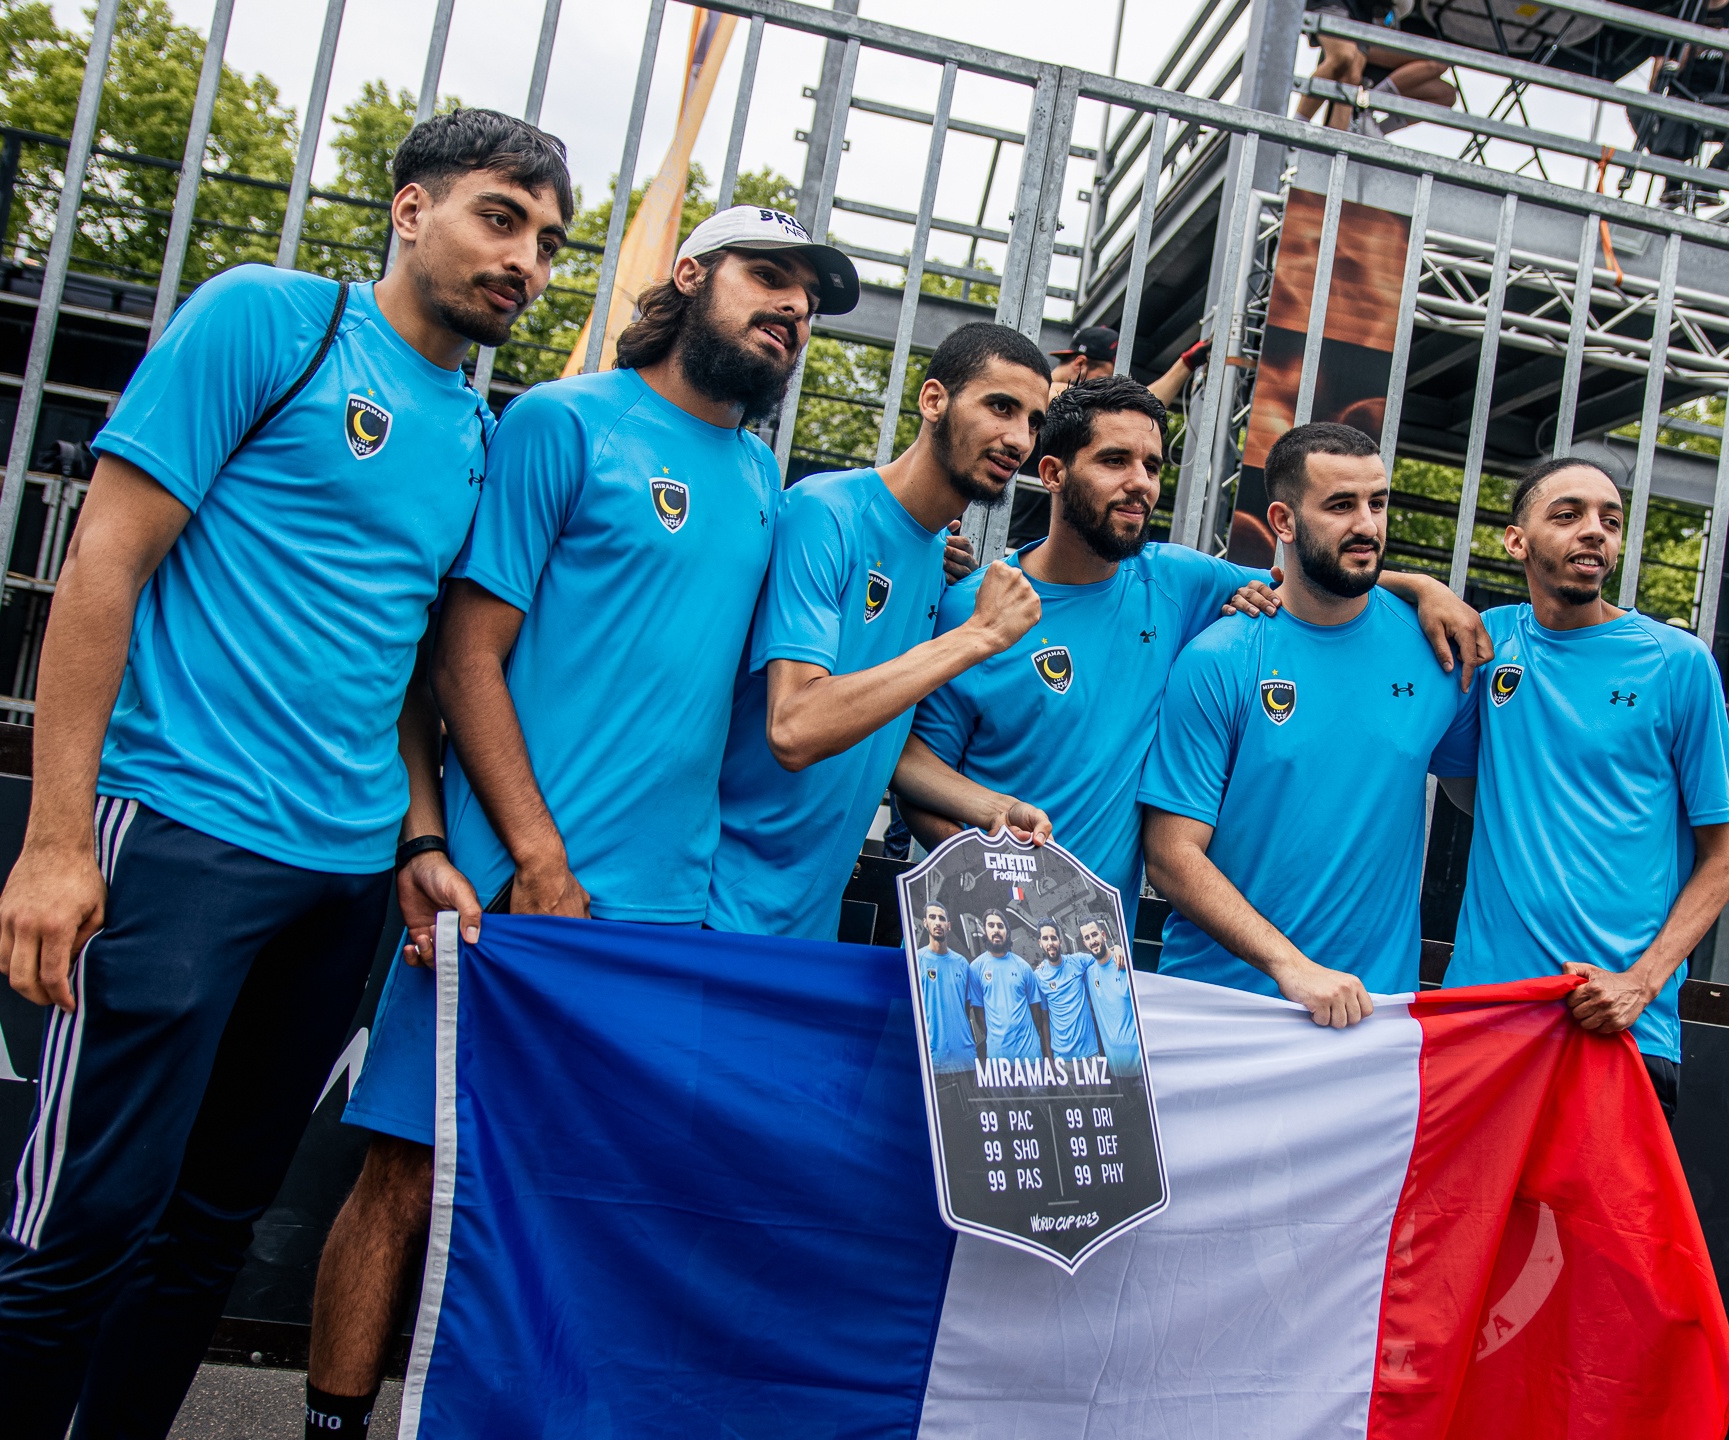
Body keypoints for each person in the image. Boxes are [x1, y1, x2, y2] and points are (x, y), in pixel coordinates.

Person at [0, 109, 569, 1438]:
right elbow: (103, 564)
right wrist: (56, 839)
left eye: (549, 242)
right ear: (410, 209)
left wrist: (416, 842)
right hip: (183, 831)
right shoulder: (271, 322)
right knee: (83, 1223)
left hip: (340, 877)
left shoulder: (476, 428)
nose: (526, 260)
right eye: (501, 218)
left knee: (209, 1232)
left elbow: (407, 667)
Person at [301, 205, 886, 1434]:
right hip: (511, 893)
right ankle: (331, 1424)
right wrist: (532, 854)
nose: (792, 308)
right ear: (692, 276)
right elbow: (462, 656)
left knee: (586, 1206)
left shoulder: (765, 483)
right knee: (408, 1172)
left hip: (665, 916)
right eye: (768, 277)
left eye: (809, 298)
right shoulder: (563, 422)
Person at [905, 379, 1489, 938]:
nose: (1140, 483)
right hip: (975, 937)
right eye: (1115, 461)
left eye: (1152, 466)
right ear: (1054, 473)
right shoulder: (974, 607)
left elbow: (1314, 575)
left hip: (1102, 958)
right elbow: (914, 778)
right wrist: (998, 880)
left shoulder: (1177, 580)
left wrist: (1422, 587)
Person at [705, 323, 1056, 940]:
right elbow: (795, 727)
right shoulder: (826, 512)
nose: (1019, 439)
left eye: (1033, 421)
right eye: (1001, 407)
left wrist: (995, 809)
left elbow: (881, 738)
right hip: (719, 909)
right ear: (934, 400)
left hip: (810, 924)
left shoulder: (936, 557)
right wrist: (977, 636)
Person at [1434, 456, 1729, 1121]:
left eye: (1611, 519)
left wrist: (1640, 983)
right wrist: (1421, 585)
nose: (1595, 530)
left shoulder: (1678, 662)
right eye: (1568, 515)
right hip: (1486, 1013)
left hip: (1617, 1022)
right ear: (1516, 541)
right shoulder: (1490, 641)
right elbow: (1468, 790)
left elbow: (1723, 858)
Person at [1139, 422, 1467, 1026]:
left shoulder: (1435, 650)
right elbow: (1170, 856)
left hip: (1372, 1016)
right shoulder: (1219, 657)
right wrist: (1291, 966)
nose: (1367, 525)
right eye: (1340, 506)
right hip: (1221, 1013)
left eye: (1377, 503)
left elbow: (1492, 802)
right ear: (1283, 522)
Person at [1643, 0, 1729, 209]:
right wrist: (1690, 51)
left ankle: (1712, 176)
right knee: (1638, 109)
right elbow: (1656, 84)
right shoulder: (1678, 13)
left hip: (1724, 105)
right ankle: (1672, 176)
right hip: (1681, 101)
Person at [1296, 0, 1457, 137]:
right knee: (1344, 56)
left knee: (1351, 75)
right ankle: (1297, 126)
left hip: (1363, 16)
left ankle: (1338, 141)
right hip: (1341, 7)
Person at [1047, 326, 1207, 407]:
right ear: (1080, 364)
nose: (1104, 388)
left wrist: (1188, 362)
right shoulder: (1044, 392)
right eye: (1101, 379)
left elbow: (1140, 405)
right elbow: (1136, 405)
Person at [968, 910, 1051, 1061]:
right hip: (998, 1058)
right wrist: (997, 1038)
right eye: (991, 925)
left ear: (1007, 932)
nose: (996, 930)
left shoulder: (1023, 966)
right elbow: (979, 1015)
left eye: (1000, 926)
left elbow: (1036, 1012)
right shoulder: (975, 968)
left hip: (1030, 1055)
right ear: (985, 930)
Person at [920, 902, 978, 1073]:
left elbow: (966, 1009)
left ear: (949, 926)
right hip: (933, 1059)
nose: (938, 922)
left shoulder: (962, 963)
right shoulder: (916, 960)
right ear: (925, 922)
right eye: (932, 917)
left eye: (942, 918)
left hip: (965, 1057)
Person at [1032, 920, 1102, 1061]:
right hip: (1062, 1059)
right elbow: (1044, 1018)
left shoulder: (1078, 961)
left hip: (1090, 1053)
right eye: (1045, 939)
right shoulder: (1038, 976)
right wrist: (1050, 1057)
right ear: (1040, 943)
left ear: (1060, 941)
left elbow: (1103, 956)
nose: (1050, 943)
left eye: (1053, 938)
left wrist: (1117, 949)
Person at [1080, 917, 1141, 1075]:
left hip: (1140, 1065)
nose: (1092, 941)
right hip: (1115, 1068)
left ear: (1103, 935)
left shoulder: (1124, 963)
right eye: (1087, 938)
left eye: (1094, 935)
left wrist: (1118, 948)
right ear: (1084, 943)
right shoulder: (1088, 973)